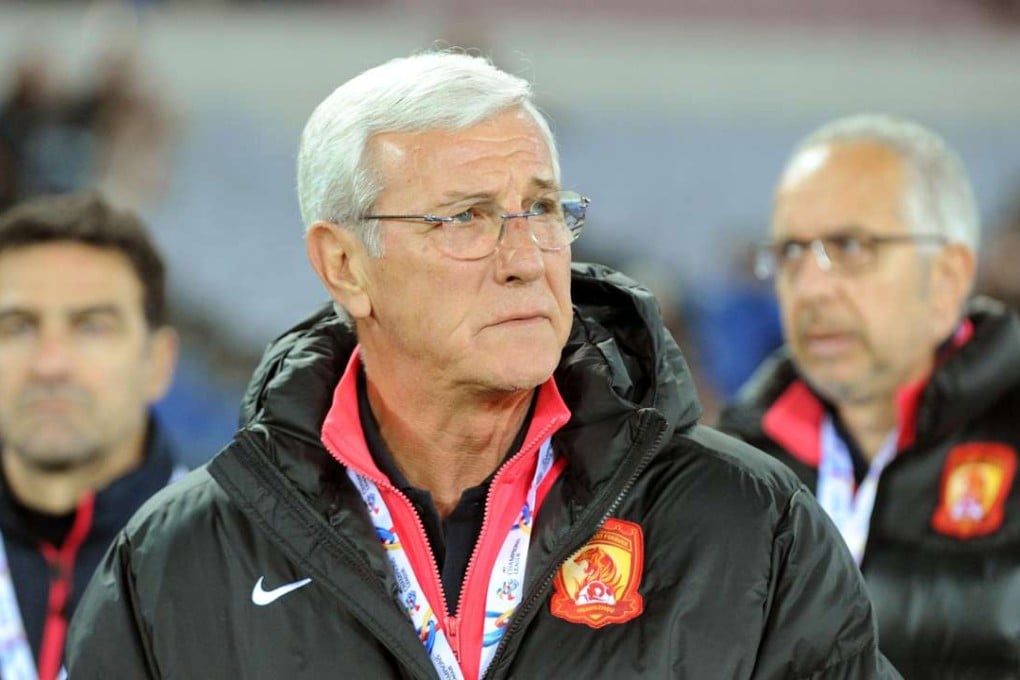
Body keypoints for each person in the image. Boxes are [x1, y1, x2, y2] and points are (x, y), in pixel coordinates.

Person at [67, 52, 896, 679]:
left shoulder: (753, 526)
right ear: (346, 265)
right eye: (467, 217)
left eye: (541, 207)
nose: (527, 256)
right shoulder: (176, 562)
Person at [718, 114, 1020, 678]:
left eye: (850, 245)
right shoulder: (733, 466)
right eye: (789, 253)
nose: (809, 287)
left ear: (949, 276)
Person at [0, 191, 182, 680]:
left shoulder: (242, 562)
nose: (50, 364)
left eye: (92, 327)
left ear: (158, 363)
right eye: (16, 327)